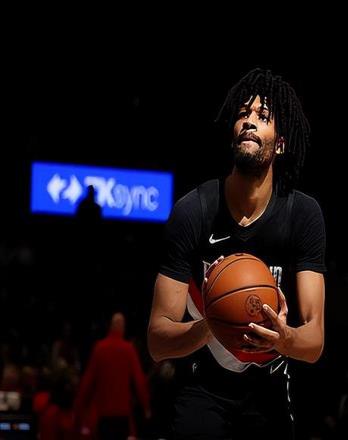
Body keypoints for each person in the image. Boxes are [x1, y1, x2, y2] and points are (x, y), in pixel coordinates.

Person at [148, 68, 326, 439]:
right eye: (243, 114)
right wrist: (212, 325)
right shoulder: (193, 211)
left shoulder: (302, 215)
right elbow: (157, 341)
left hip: (268, 384)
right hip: (201, 384)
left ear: (280, 144)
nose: (249, 121)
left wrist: (282, 338)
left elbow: (313, 343)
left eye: (263, 116)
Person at [74, 312, 150, 440]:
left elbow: (87, 382)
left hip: (103, 414)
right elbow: (139, 381)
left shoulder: (99, 348)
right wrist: (146, 405)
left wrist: (78, 407)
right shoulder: (128, 349)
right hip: (122, 414)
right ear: (123, 328)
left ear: (111, 326)